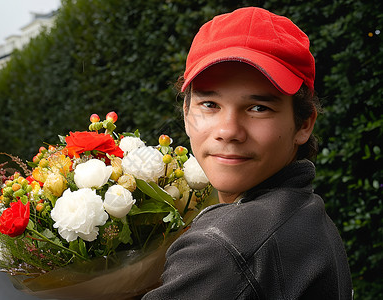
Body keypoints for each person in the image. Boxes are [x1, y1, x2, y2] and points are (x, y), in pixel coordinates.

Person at [143, 6, 353, 299]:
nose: (228, 130)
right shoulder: (306, 214)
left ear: (303, 124)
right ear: (187, 113)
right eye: (210, 105)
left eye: (258, 108)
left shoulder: (225, 248)